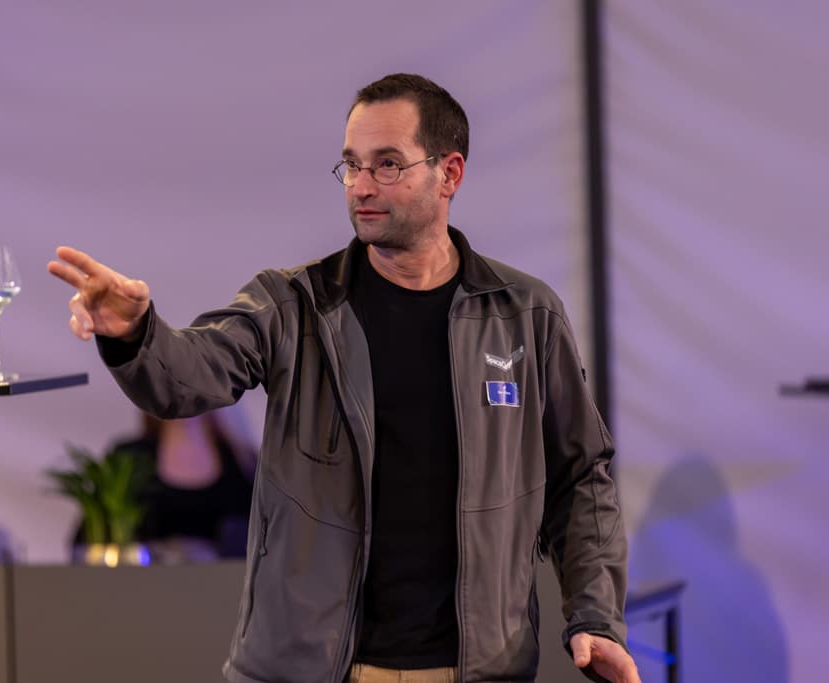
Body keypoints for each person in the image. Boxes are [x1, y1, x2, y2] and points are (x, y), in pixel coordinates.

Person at [48, 73, 639, 683]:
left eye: (387, 164)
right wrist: (135, 332)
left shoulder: (525, 315)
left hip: (478, 670)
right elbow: (185, 377)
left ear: (450, 174)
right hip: (314, 669)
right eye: (351, 164)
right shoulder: (292, 304)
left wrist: (595, 617)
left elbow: (581, 478)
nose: (361, 185)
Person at [76, 412, 254, 562]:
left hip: (223, 586)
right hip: (140, 585)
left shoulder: (241, 460)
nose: (185, 395)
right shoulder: (129, 457)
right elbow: (87, 538)